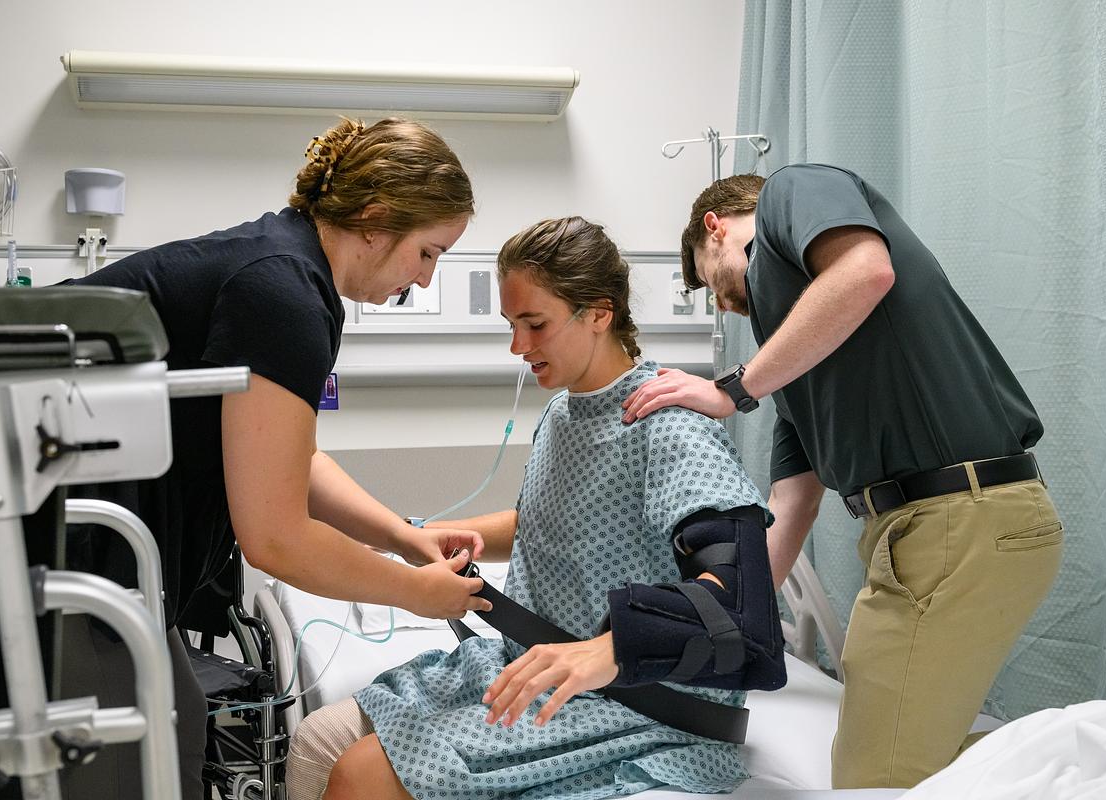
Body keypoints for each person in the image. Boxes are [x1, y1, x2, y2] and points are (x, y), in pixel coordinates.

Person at [16, 116, 488, 799]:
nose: (423, 279)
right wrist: (418, 591)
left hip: (86, 543)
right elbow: (275, 537)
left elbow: (291, 460)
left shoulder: (286, 268)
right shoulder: (284, 292)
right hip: (51, 539)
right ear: (377, 219)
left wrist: (403, 538)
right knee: (141, 761)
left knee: (171, 732)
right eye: (429, 252)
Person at [285, 216, 785, 800]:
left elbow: (738, 595)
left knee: (360, 775)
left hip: (639, 698)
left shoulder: (669, 427)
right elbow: (558, 522)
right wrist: (432, 535)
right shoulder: (564, 413)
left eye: (535, 324)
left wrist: (614, 647)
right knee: (320, 738)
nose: (518, 347)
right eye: (511, 324)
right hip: (526, 658)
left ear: (599, 313)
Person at [622, 164, 1064, 789]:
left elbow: (866, 271)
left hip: (959, 519)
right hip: (940, 530)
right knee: (901, 757)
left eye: (706, 280)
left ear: (715, 229)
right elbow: (791, 502)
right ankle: (1095, 746)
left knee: (871, 779)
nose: (721, 302)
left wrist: (732, 390)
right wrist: (725, 626)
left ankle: (1097, 750)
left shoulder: (791, 191)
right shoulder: (798, 357)